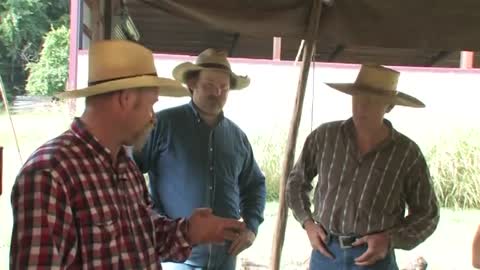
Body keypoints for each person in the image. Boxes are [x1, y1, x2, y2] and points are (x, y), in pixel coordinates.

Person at [9, 40, 245, 269]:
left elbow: (144, 237)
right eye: (150, 105)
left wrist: (190, 231)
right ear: (126, 99)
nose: (153, 118)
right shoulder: (50, 174)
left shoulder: (126, 167)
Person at [286, 64, 440, 270]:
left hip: (375, 258)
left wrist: (389, 239)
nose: (361, 106)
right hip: (326, 252)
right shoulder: (324, 138)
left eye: (372, 101)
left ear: (389, 106)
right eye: (357, 97)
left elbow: (427, 214)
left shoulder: (406, 154)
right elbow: (296, 183)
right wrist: (308, 223)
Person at [134, 48, 266, 269]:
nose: (217, 92)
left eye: (224, 87)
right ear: (191, 84)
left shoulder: (237, 137)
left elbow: (254, 185)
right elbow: (129, 173)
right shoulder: (162, 125)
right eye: (209, 85)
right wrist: (150, 220)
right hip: (175, 258)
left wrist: (251, 227)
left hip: (225, 259)